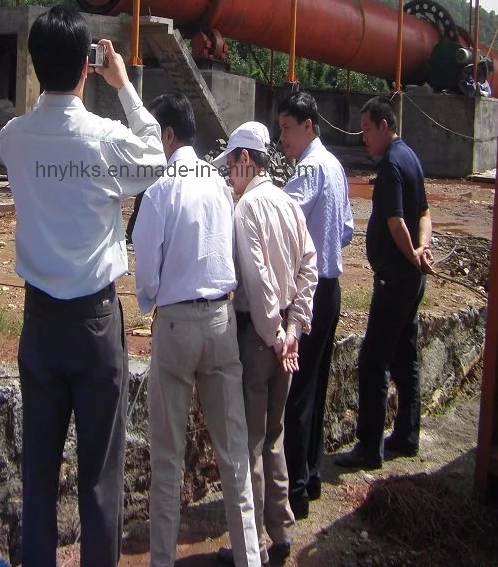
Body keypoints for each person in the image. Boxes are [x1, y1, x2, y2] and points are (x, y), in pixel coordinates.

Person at [0, 6, 166, 567]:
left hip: (40, 323)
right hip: (95, 323)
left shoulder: (12, 140)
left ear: (35, 63)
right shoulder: (103, 139)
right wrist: (124, 87)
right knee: (99, 474)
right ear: (85, 68)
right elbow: (155, 159)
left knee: (39, 472)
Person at [131, 93, 261, 567]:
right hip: (221, 321)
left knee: (168, 458)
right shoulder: (219, 182)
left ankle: (162, 560)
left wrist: (152, 302)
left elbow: (146, 263)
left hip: (178, 323)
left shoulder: (162, 187)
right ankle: (250, 557)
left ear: (167, 136)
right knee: (233, 453)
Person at [212, 122, 317, 567]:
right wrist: (294, 330)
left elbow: (256, 282)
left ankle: (250, 545)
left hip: (259, 340)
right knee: (274, 434)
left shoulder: (247, 209)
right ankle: (282, 529)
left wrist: (274, 334)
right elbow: (308, 266)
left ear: (244, 161)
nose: (230, 174)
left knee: (251, 442)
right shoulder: (287, 203)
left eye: (232, 164)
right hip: (285, 340)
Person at [334, 96, 435, 470]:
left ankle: (369, 446)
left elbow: (396, 222)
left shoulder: (393, 163)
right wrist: (423, 250)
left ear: (383, 126)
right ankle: (407, 434)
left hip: (396, 278)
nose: (363, 138)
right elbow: (424, 211)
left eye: (366, 130)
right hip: (411, 277)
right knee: (405, 352)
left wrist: (412, 254)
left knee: (373, 359)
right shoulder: (411, 156)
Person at [277, 92, 354, 517]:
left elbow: (280, 218)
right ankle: (312, 473)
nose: (282, 137)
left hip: (308, 292)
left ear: (308, 125)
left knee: (298, 394)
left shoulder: (308, 168)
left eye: (288, 128)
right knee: (317, 386)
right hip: (332, 287)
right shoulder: (336, 166)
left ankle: (296, 492)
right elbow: (346, 229)